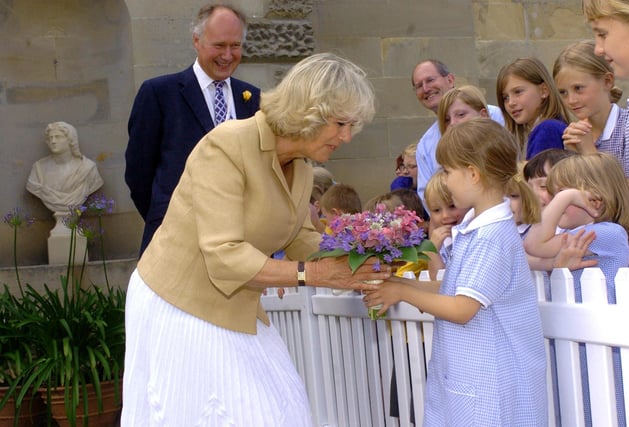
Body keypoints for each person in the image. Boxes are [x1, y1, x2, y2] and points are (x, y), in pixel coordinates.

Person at [120, 53, 392, 426]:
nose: (346, 137)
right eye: (341, 123)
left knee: (284, 411)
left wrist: (368, 254)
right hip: (178, 301)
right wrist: (314, 276)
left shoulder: (302, 170)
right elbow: (225, 255)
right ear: (307, 110)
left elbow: (302, 240)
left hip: (237, 304)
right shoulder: (227, 145)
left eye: (352, 126)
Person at [364, 119, 547, 425]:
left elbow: (463, 308)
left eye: (448, 172)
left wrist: (403, 291)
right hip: (472, 381)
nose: (444, 181)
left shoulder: (491, 238)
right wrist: (397, 282)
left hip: (492, 390)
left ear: (473, 174)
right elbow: (454, 289)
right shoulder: (475, 230)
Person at [125, 4, 261, 254]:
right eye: (219, 45)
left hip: (240, 246)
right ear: (196, 41)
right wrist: (168, 222)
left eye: (235, 45)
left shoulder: (253, 98)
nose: (228, 55)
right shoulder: (158, 94)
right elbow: (138, 175)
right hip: (175, 244)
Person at [523, 152, 629, 427]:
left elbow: (533, 245)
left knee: (604, 411)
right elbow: (526, 258)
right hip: (581, 343)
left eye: (562, 195)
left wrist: (566, 196)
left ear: (594, 200)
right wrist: (557, 264)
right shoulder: (581, 236)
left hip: (602, 347)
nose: (552, 201)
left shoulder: (606, 232)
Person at [554, 39, 629, 268]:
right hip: (586, 265)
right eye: (563, 92)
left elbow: (628, 205)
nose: (571, 100)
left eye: (579, 88)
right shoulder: (572, 137)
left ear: (607, 81)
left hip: (627, 265)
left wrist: (589, 154)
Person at [412, 59, 505, 209]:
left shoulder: (497, 116)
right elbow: (428, 198)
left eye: (430, 80)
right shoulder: (425, 145)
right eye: (418, 86)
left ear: (450, 80)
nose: (426, 88)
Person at [496, 57, 573, 160]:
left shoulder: (547, 129)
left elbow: (538, 176)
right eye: (505, 97)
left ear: (543, 91)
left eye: (518, 92)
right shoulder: (544, 128)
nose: (511, 103)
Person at [26, 121, 103, 214]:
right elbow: (33, 187)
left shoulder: (88, 168)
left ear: (70, 140)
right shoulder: (38, 169)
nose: (53, 141)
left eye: (58, 137)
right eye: (50, 138)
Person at [423, 169, 468, 280]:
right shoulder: (442, 241)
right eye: (436, 210)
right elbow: (437, 282)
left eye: (452, 206)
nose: (445, 216)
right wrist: (433, 251)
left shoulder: (476, 234)